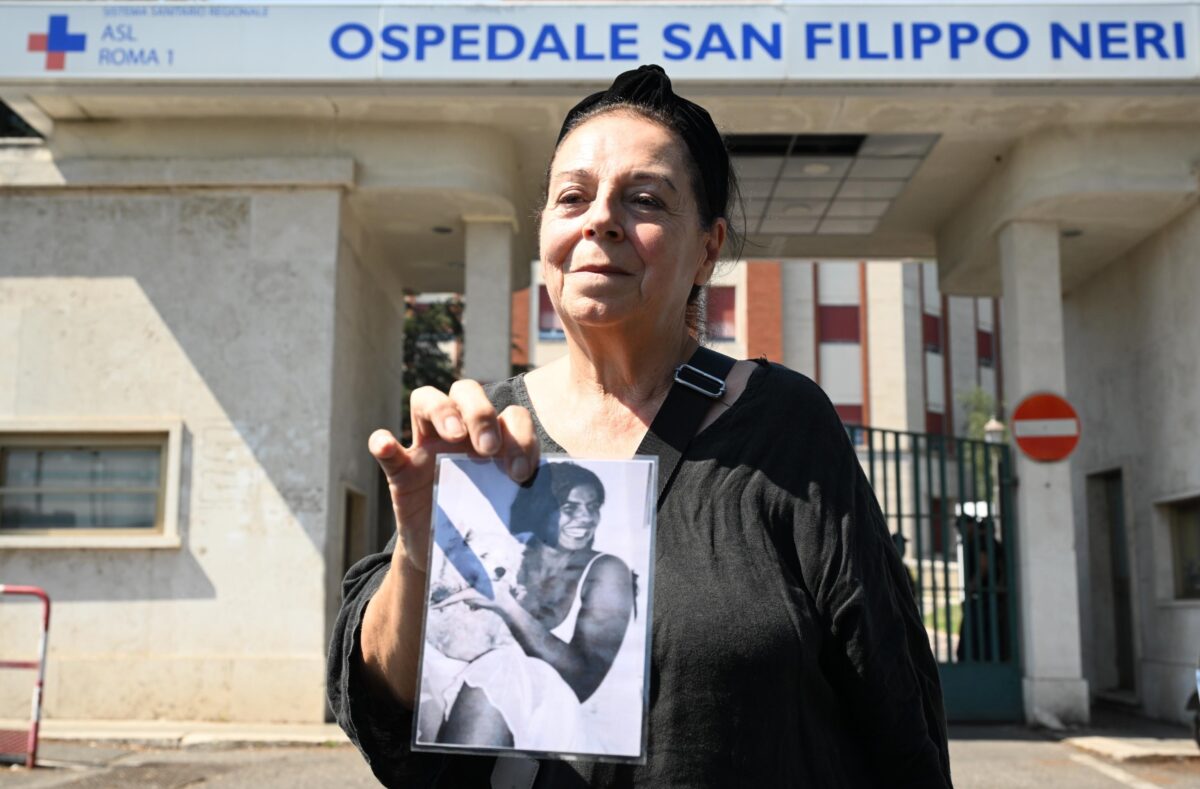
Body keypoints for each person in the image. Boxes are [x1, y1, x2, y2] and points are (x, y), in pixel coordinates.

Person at [328, 64, 953, 787]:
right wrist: (418, 554)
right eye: (572, 197)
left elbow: (895, 709)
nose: (600, 220)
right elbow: (385, 708)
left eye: (646, 199)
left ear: (708, 248)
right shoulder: (482, 434)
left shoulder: (785, 426)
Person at [424, 462, 635, 753]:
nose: (586, 518)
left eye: (593, 507)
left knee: (501, 667)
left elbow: (582, 681)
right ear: (541, 508)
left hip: (562, 724)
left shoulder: (608, 571)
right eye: (570, 508)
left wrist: (507, 607)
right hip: (476, 704)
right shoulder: (507, 555)